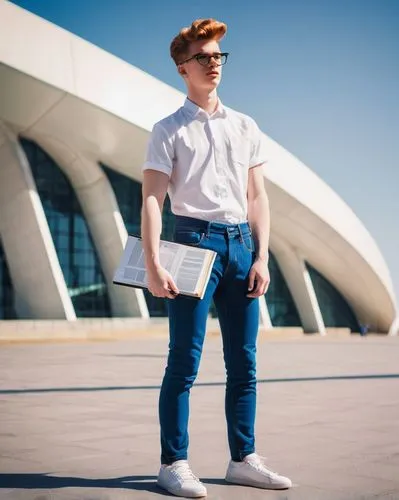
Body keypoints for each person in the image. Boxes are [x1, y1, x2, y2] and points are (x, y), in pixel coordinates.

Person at [141, 18, 292, 498]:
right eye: (203, 57)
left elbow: (258, 196)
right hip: (191, 242)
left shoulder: (245, 126)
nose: (213, 64)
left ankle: (242, 458)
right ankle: (173, 463)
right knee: (184, 360)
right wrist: (151, 262)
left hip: (241, 246)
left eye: (218, 56)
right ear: (182, 68)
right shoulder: (168, 130)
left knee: (244, 362)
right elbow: (151, 200)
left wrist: (262, 256)